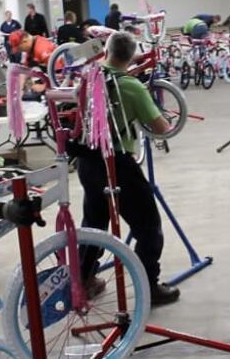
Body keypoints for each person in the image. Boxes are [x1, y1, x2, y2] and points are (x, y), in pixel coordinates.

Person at [72, 31, 179, 305]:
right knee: (148, 227)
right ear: (130, 56)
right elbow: (161, 128)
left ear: (105, 51)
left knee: (94, 224)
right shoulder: (131, 87)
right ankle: (148, 288)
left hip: (87, 161)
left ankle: (83, 281)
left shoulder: (88, 75)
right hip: (117, 164)